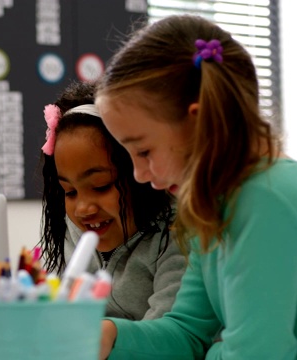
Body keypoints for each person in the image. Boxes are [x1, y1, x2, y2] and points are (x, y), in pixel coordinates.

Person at [95, 14, 297, 359]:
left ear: (200, 121)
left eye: (144, 151)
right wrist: (109, 335)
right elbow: (187, 331)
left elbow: (257, 355)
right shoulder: (213, 204)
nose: (140, 174)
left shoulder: (264, 200)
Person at [37, 81, 186, 320]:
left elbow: (174, 338)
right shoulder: (70, 232)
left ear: (140, 173)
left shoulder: (176, 234)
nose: (84, 208)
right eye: (70, 192)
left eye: (101, 186)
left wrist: (100, 338)